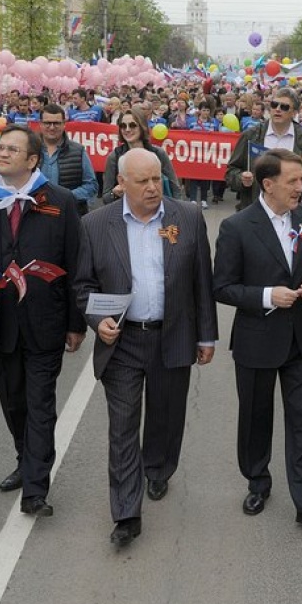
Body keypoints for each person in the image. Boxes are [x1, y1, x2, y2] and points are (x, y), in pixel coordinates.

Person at [74, 148, 218, 544]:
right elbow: (82, 286)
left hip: (173, 335)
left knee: (165, 416)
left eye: (157, 178)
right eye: (143, 181)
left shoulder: (186, 217)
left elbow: (200, 282)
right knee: (122, 428)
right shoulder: (95, 224)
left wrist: (207, 335)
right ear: (121, 184)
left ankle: (158, 468)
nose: (154, 187)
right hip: (122, 343)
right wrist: (95, 320)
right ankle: (126, 513)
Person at [0, 125, 85, 516]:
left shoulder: (57, 201)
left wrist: (76, 323)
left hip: (45, 322)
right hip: (0, 321)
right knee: (15, 403)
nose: (3, 153)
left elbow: (76, 265)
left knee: (40, 403)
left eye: (13, 149)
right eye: (0, 147)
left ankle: (35, 487)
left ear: (32, 159)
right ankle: (24, 459)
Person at [213, 148, 302, 528]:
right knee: (256, 417)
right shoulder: (237, 227)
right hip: (257, 339)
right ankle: (257, 480)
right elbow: (223, 287)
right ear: (268, 185)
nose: (301, 187)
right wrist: (268, 296)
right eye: (293, 181)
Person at [224, 88, 302, 211]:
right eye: (274, 105)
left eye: (284, 107)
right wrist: (241, 179)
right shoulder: (251, 136)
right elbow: (231, 171)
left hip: (291, 212)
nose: (278, 109)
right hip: (256, 210)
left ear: (294, 112)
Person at [102, 108, 181, 206]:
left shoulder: (159, 153)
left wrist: (177, 213)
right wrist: (114, 193)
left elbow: (175, 188)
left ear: (142, 127)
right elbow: (106, 197)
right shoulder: (114, 157)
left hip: (157, 210)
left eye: (132, 125)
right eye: (123, 126)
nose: (127, 129)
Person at [38, 104, 97, 215]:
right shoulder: (30, 150)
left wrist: (65, 197)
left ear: (64, 124)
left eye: (56, 123)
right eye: (47, 123)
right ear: (40, 124)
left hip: (68, 216)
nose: (51, 127)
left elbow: (91, 185)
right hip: (36, 215)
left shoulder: (78, 151)